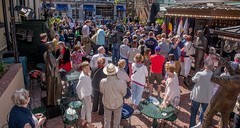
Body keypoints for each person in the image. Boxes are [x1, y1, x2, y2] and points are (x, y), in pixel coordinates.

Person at [202, 53, 240, 128]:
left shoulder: (228, 79)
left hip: (218, 101)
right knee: (224, 123)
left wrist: (219, 66)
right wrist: (227, 65)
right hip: (229, 104)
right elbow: (234, 74)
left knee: (206, 117)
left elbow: (213, 78)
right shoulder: (236, 78)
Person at [100, 63, 127, 128]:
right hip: (117, 104)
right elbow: (124, 93)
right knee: (117, 122)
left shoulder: (102, 81)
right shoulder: (120, 82)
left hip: (107, 103)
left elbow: (102, 91)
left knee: (107, 121)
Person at [189, 59, 215, 127]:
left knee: (193, 114)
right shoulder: (214, 76)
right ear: (212, 66)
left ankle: (192, 126)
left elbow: (193, 79)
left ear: (205, 65)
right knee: (204, 115)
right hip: (207, 97)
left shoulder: (200, 74)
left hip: (197, 96)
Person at [76, 61, 95, 128]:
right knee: (88, 110)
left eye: (88, 67)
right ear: (83, 68)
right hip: (86, 95)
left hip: (86, 95)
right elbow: (78, 88)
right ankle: (90, 124)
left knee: (84, 108)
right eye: (86, 68)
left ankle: (83, 120)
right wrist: (80, 96)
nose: (88, 69)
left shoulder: (86, 74)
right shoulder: (83, 77)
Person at [43, 41, 62, 106]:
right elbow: (54, 64)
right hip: (52, 75)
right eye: (52, 46)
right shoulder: (50, 54)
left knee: (50, 88)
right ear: (50, 47)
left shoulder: (46, 53)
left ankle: (51, 100)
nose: (53, 47)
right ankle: (54, 101)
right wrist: (59, 58)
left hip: (49, 74)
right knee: (54, 87)